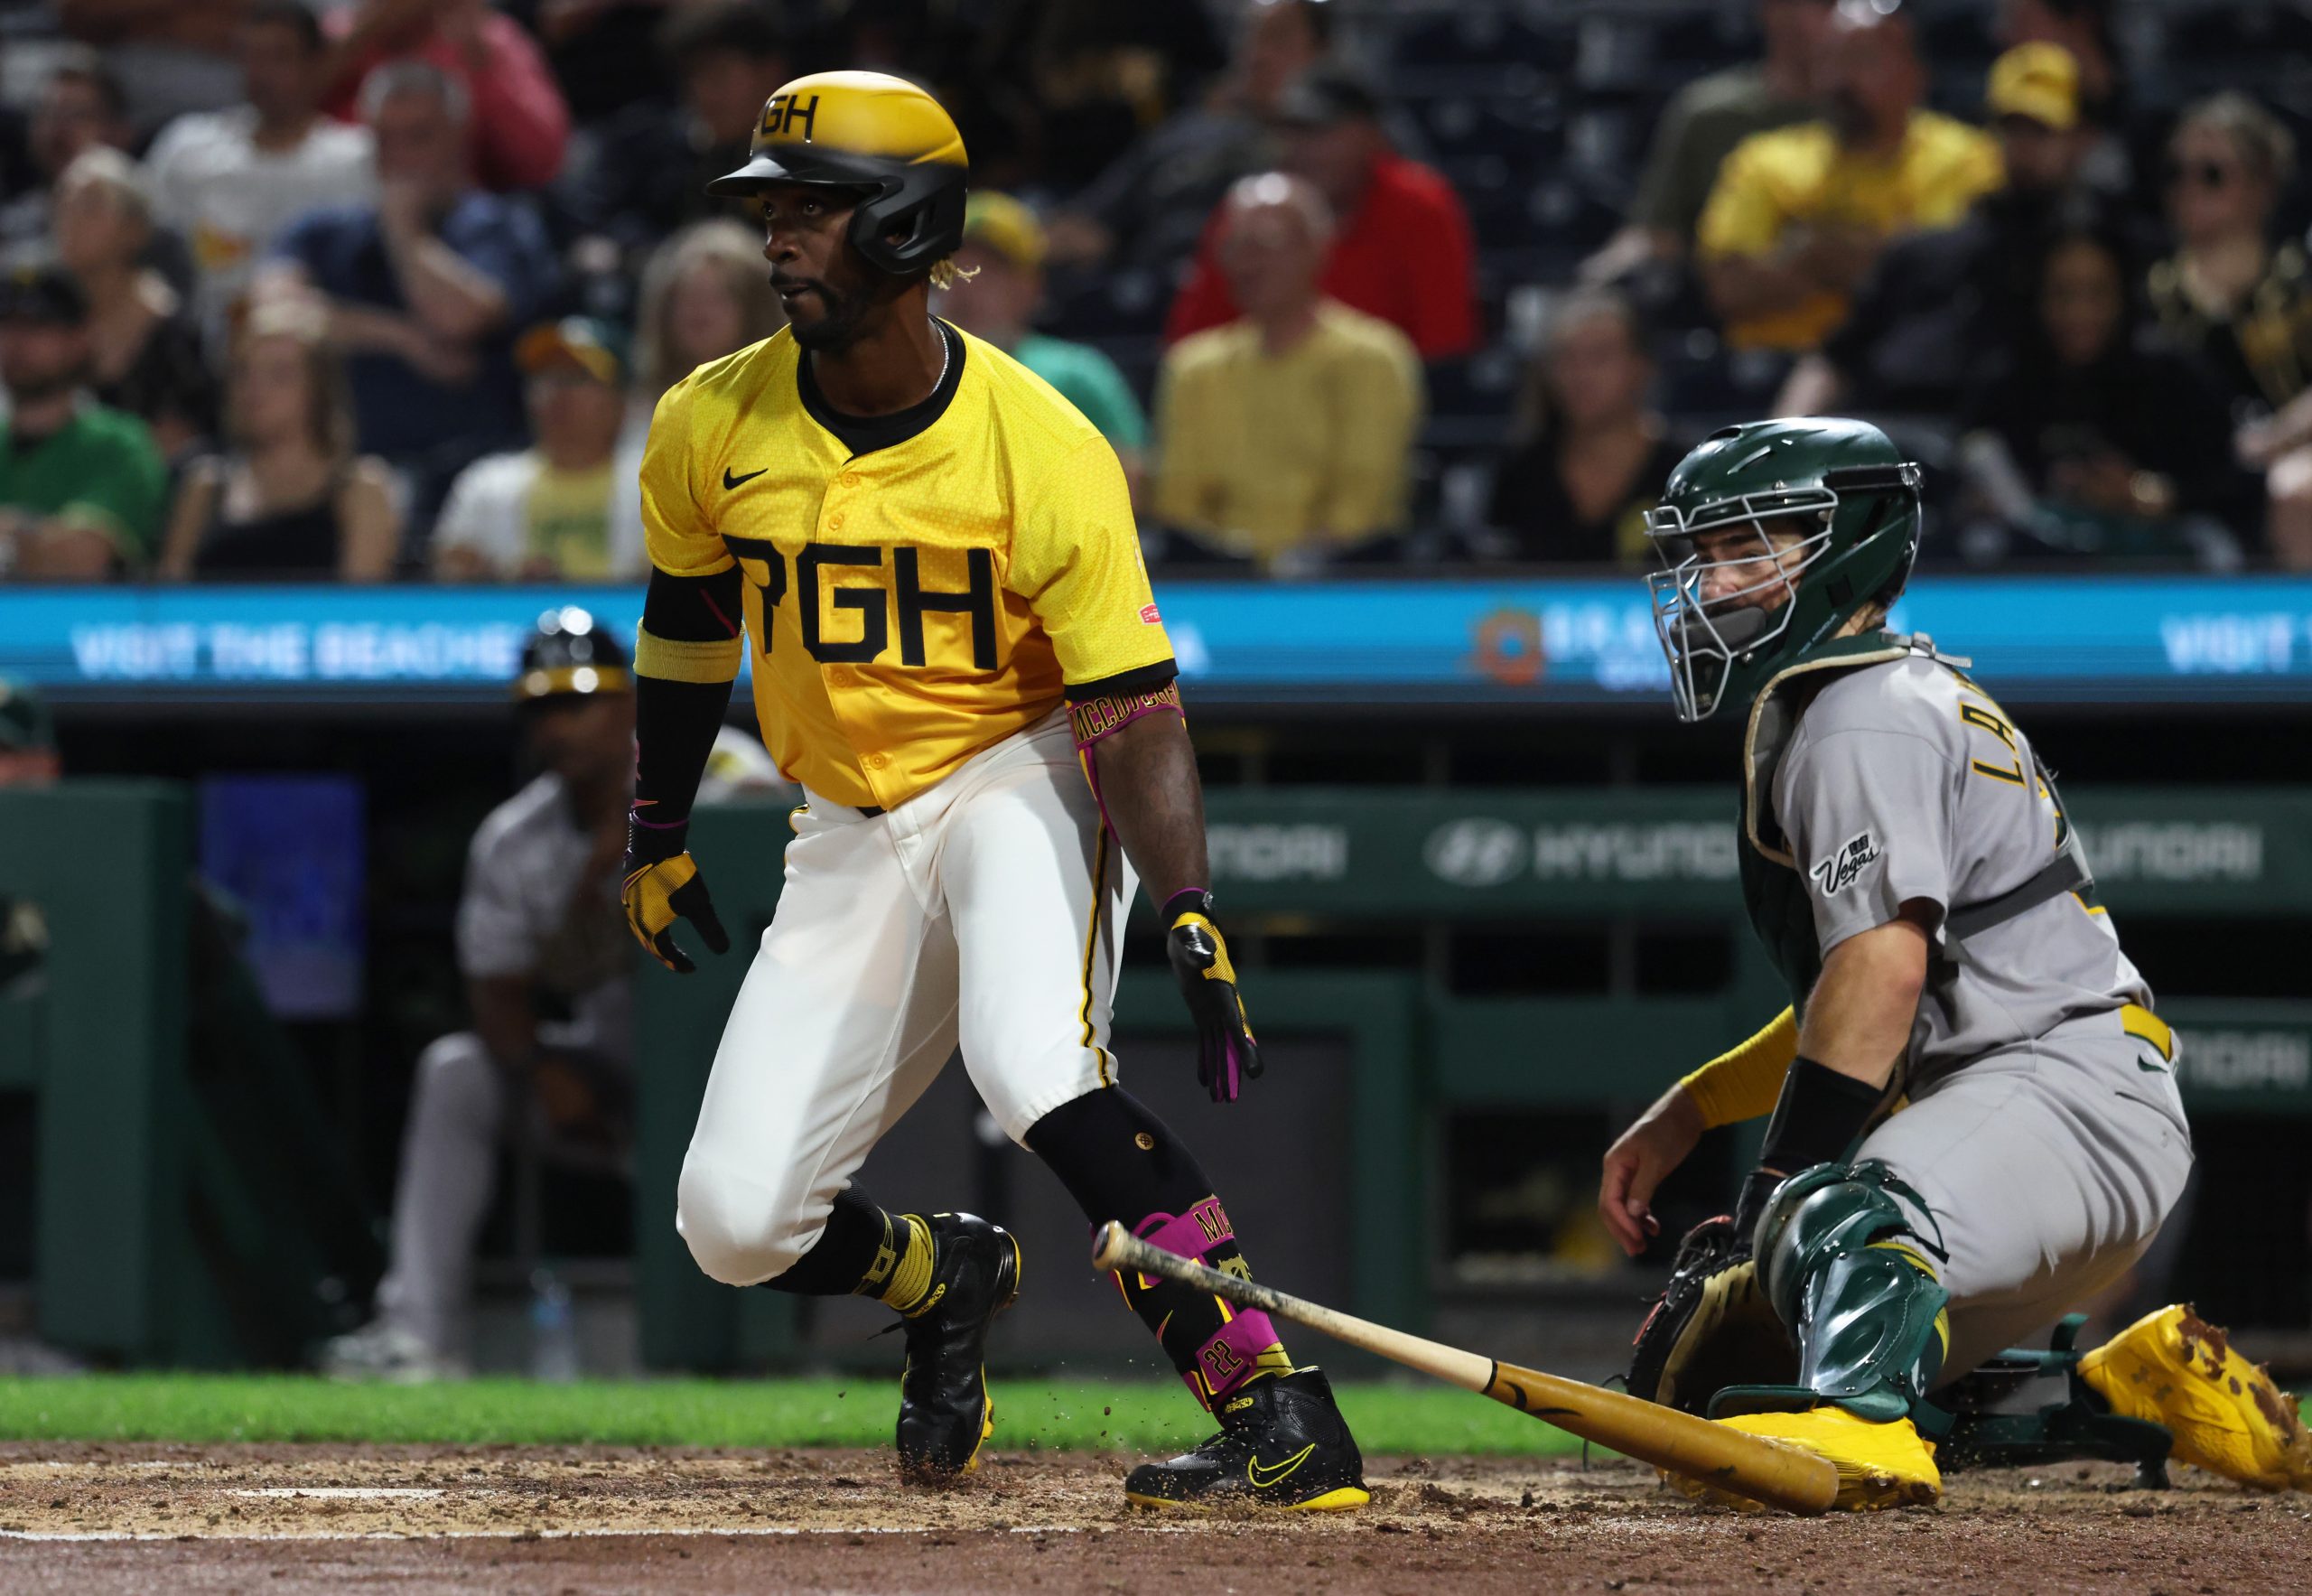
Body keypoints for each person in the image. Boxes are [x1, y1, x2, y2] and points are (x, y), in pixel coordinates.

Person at [622, 71, 1368, 1507]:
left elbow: (1131, 703)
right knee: (733, 1219)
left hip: (1018, 765)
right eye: (773, 208)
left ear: (907, 225)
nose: (778, 237)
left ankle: (1275, 1399)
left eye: (816, 208)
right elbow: (688, 629)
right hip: (846, 820)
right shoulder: (708, 418)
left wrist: (1188, 899)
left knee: (1033, 1064)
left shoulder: (1043, 441)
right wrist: (655, 826)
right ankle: (944, 1274)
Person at [1601, 417, 2309, 1506]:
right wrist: (1692, 1109)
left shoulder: (1858, 715)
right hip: (2055, 1113)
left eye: (1749, 551)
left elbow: (1880, 977)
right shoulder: (1879, 694)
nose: (1714, 583)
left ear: (1848, 549)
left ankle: (1862, 1434)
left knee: (1828, 1219)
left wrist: (1778, 1188)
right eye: (1706, 555)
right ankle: (2126, 1394)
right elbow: (1865, 991)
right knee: (1732, 1381)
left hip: (2056, 1098)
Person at [322, 611, 637, 1381]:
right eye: (542, 707)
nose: (558, 725)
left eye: (579, 700)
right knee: (456, 1071)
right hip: (616, 1073)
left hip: (734, 1068)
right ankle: (420, 1335)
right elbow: (495, 989)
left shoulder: (723, 775)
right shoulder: (514, 838)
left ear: (631, 702)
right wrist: (539, 1068)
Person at [265, 61, 558, 514]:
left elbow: (458, 319)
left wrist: (404, 233)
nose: (399, 157)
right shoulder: (324, 232)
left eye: (419, 137)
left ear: (459, 138)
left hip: (472, 480)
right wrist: (403, 338)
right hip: (347, 473)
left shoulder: (499, 226)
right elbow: (267, 315)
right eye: (384, 140)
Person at [1776, 42, 2121, 420]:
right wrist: (1782, 435)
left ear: (2079, 139)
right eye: (2010, 128)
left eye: (2040, 130)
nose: (2023, 147)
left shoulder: (2094, 258)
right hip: (1894, 423)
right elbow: (1833, 359)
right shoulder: (1930, 251)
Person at [1696, 1, 2003, 354]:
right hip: (1774, 360)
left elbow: (1946, 281)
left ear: (1914, 74)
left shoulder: (1967, 158)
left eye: (1863, 59)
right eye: (1829, 60)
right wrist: (1876, 256)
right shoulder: (1763, 160)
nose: (1841, 79)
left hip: (1909, 363)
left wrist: (1806, 258)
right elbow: (1728, 289)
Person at [1152, 173, 1422, 572]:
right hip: (1220, 583)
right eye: (1236, 246)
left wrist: (1295, 570)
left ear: (1318, 249)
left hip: (1341, 583)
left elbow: (1362, 504)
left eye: (1267, 243)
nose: (1249, 263)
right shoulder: (1193, 367)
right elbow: (1179, 505)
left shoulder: (1373, 358)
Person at [1953, 227, 2249, 565]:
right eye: (2062, 294)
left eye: (2097, 293)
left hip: (2154, 553)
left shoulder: (2170, 375)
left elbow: (2232, 481)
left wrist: (2147, 493)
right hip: (2038, 559)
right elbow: (1970, 470)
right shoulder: (2006, 382)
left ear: (2123, 294)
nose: (2079, 313)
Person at [1164, 67, 1478, 361]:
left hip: (1386, 392)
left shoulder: (1419, 205)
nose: (1304, 150)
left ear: (1370, 135)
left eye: (1321, 132)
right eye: (1291, 132)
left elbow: (1445, 345)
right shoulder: (1248, 212)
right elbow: (1193, 344)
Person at [144, 0, 378, 346]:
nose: (261, 72)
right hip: (201, 349)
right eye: (250, 56)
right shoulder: (187, 148)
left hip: (322, 352)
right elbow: (142, 246)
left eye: (279, 57)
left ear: (316, 63)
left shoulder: (356, 159)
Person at [2146, 95, 2312, 569]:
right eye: (2176, 173)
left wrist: (2278, 439)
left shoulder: (2299, 284)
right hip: (2179, 475)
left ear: (2263, 185)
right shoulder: (2151, 291)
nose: (2189, 188)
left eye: (2212, 174)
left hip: (2284, 471)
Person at [1043, 0, 1328, 273]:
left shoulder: (1327, 152)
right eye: (1248, 39)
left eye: (1278, 38)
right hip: (1144, 290)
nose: (1256, 55)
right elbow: (1087, 219)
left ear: (1322, 53)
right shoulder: (1186, 134)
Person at [1581, 0, 1832, 285]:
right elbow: (1657, 234)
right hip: (1734, 291)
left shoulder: (1867, 114)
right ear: (1772, 10)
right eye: (1826, 4)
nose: (1843, 16)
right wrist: (1600, 287)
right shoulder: (1711, 115)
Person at [158, 297, 400, 582]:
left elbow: (361, 602)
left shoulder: (359, 491)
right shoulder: (205, 488)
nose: (254, 390)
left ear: (318, 390)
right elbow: (170, 597)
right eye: (242, 372)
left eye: (279, 375)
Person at [940, 191, 1149, 498]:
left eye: (987, 271)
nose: (965, 286)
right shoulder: (911, 374)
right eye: (952, 268)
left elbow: (1129, 481)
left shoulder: (1078, 374)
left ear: (1032, 286)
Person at [564, 1, 792, 261]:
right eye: (693, 78)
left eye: (719, 75)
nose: (704, 95)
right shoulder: (670, 155)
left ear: (771, 72)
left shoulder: (805, 161)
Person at [433, 317, 645, 582]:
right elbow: (448, 574)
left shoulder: (661, 485)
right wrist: (495, 578)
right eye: (545, 377)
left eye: (576, 377)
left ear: (619, 399)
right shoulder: (486, 485)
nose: (557, 391)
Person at [1484, 288, 1683, 566]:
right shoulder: (1520, 473)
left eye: (1599, 357)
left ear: (1640, 367)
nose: (1581, 375)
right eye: (1566, 359)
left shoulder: (1684, 472)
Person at [0, 262, 168, 582]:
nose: (17, 341)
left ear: (81, 337)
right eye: (6, 324)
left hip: (80, 615)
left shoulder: (119, 444)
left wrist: (19, 541)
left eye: (38, 325)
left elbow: (82, 558)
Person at [51, 148, 219, 464]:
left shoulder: (176, 339)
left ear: (135, 230)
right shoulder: (42, 319)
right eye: (63, 203)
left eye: (90, 205)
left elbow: (185, 442)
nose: (69, 218)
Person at [321, 0, 571, 193]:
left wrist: (482, 65)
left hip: (463, 208)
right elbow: (299, 123)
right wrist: (365, 34)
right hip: (354, 202)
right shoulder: (337, 39)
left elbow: (542, 161)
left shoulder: (486, 38)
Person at [631, 218, 786, 407]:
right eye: (687, 294)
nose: (700, 308)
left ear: (756, 309)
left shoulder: (787, 407)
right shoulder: (642, 411)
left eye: (719, 295)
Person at [0, 49, 135, 253]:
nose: (59, 128)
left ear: (119, 133)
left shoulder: (144, 226)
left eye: (77, 115)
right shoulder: (10, 226)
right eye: (48, 113)